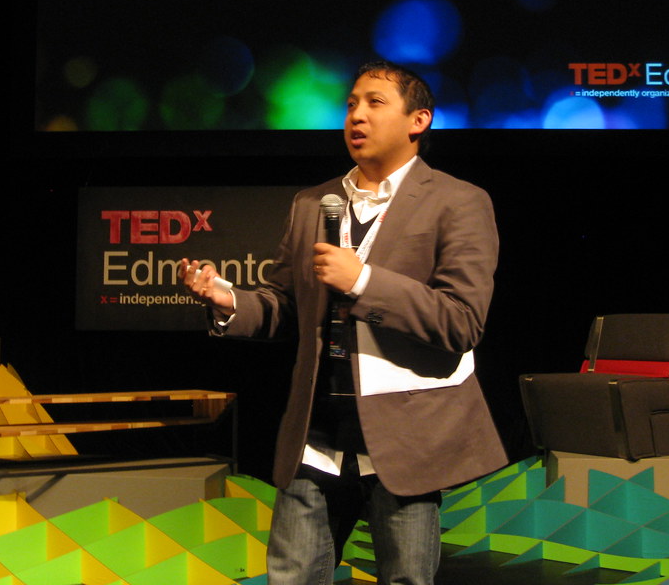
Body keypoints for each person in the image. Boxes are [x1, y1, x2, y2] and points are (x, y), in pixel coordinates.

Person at [179, 60, 506, 585]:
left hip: (405, 435)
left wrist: (363, 281)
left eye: (375, 103)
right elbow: (284, 307)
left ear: (418, 120)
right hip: (318, 429)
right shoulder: (312, 202)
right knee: (292, 575)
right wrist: (227, 300)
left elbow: (461, 322)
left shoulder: (459, 202)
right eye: (352, 103)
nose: (357, 115)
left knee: (405, 577)